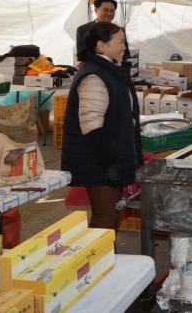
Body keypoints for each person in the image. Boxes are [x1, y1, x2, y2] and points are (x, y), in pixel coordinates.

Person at [61, 22, 142, 229]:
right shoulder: (94, 76)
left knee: (108, 218)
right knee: (104, 219)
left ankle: (105, 259)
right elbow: (92, 126)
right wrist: (110, 164)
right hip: (98, 162)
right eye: (120, 42)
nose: (124, 47)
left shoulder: (110, 71)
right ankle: (97, 260)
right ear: (100, 46)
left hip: (108, 159)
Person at [76, 0, 131, 69]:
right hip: (93, 71)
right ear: (96, 10)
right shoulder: (83, 29)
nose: (109, 13)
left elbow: (126, 53)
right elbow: (82, 55)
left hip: (115, 70)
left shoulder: (119, 30)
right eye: (105, 10)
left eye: (112, 11)